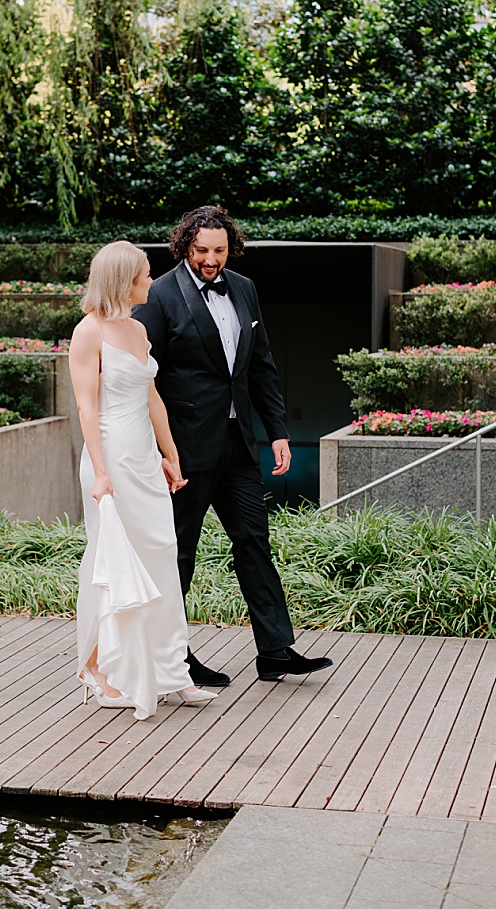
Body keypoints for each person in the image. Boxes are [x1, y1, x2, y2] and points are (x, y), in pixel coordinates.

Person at [132, 206, 329, 686]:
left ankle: (276, 650)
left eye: (219, 250)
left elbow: (260, 365)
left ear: (230, 248)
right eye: (201, 250)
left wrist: (277, 430)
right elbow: (142, 378)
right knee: (180, 552)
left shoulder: (244, 288)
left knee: (254, 543)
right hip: (185, 451)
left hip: (240, 445)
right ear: (185, 246)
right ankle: (173, 657)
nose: (210, 259)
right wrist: (157, 451)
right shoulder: (159, 296)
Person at [70, 240, 218, 719]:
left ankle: (171, 670)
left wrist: (170, 454)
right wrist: (102, 473)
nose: (152, 281)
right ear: (123, 281)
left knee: (161, 558)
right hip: (109, 459)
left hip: (143, 459)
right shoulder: (87, 332)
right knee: (113, 561)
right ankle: (104, 671)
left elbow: (152, 396)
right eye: (145, 275)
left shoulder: (137, 329)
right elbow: (86, 407)